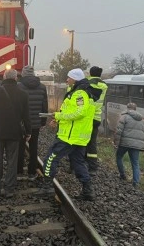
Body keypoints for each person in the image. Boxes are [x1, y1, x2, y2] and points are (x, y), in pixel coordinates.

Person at [35, 68, 96, 200]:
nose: (67, 80)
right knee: (78, 163)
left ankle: (47, 187)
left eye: (69, 77)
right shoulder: (81, 92)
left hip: (70, 137)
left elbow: (80, 113)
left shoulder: (79, 94)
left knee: (51, 158)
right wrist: (58, 119)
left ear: (75, 79)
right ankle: (88, 191)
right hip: (78, 137)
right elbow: (71, 112)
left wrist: (59, 116)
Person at [0, 69, 31, 198]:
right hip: (14, 132)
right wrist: (28, 131)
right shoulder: (23, 94)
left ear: (4, 77)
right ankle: (9, 189)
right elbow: (26, 116)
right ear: (16, 79)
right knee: (12, 160)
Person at [17, 65, 48, 181]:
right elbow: (44, 106)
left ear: (23, 74)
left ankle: (19, 172)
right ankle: (31, 172)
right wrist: (43, 121)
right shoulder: (42, 87)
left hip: (21, 123)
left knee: (20, 147)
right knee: (34, 147)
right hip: (35, 122)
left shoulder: (18, 86)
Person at [114, 103, 144, 187]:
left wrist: (116, 143)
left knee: (119, 156)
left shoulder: (124, 117)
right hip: (136, 145)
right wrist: (143, 142)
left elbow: (118, 131)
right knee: (135, 163)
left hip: (124, 143)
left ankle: (122, 175)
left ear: (127, 109)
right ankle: (136, 182)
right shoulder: (142, 120)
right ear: (135, 109)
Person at [85, 66, 108, 176]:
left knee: (82, 140)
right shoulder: (104, 86)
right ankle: (93, 167)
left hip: (85, 117)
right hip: (96, 118)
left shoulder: (86, 84)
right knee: (92, 142)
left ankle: (80, 163)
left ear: (90, 73)